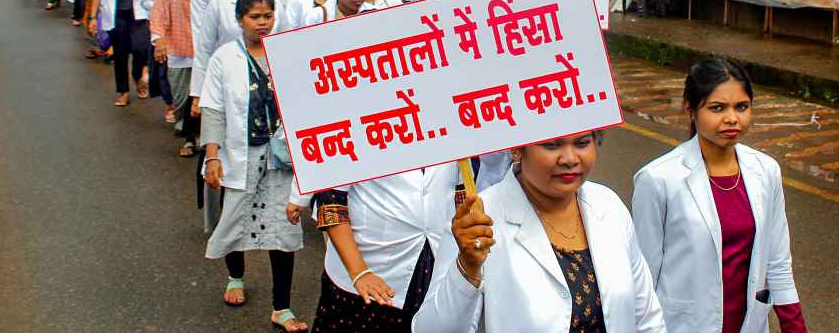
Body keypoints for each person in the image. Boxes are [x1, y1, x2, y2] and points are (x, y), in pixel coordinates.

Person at [413, 132, 666, 333]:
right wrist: (466, 269)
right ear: (517, 150)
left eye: (582, 143)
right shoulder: (477, 225)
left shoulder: (609, 206)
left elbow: (646, 317)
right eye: (552, 145)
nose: (569, 158)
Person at [632, 59, 808, 333]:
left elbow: (778, 259)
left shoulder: (766, 170)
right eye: (717, 108)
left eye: (741, 107)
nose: (732, 119)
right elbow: (644, 275)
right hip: (682, 325)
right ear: (691, 110)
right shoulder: (657, 179)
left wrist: (794, 325)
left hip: (747, 323)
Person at [201, 0, 307, 331]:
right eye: (254, 17)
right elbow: (214, 110)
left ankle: (282, 307)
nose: (262, 23)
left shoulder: (287, 52)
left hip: (281, 160)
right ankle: (235, 277)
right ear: (239, 19)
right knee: (235, 219)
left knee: (284, 228)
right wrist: (213, 156)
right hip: (239, 155)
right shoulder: (224, 58)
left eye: (268, 16)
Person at [307, 158, 461, 332]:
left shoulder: (451, 133)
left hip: (431, 266)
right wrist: (359, 273)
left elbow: (461, 192)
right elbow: (330, 201)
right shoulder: (349, 133)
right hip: (362, 277)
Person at [190, 0, 290, 113]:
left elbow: (285, 45)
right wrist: (198, 93)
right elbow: (204, 49)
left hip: (267, 83)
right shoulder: (219, 2)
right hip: (227, 81)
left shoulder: (276, 4)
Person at [151, 0, 207, 157]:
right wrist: (159, 41)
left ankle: (196, 138)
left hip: (203, 53)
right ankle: (186, 133)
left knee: (202, 98)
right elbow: (158, 15)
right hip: (178, 52)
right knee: (182, 97)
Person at [144, 0, 185, 122]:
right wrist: (161, 6)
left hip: (183, 29)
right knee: (163, 68)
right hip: (162, 27)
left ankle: (180, 104)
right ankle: (170, 104)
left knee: (180, 67)